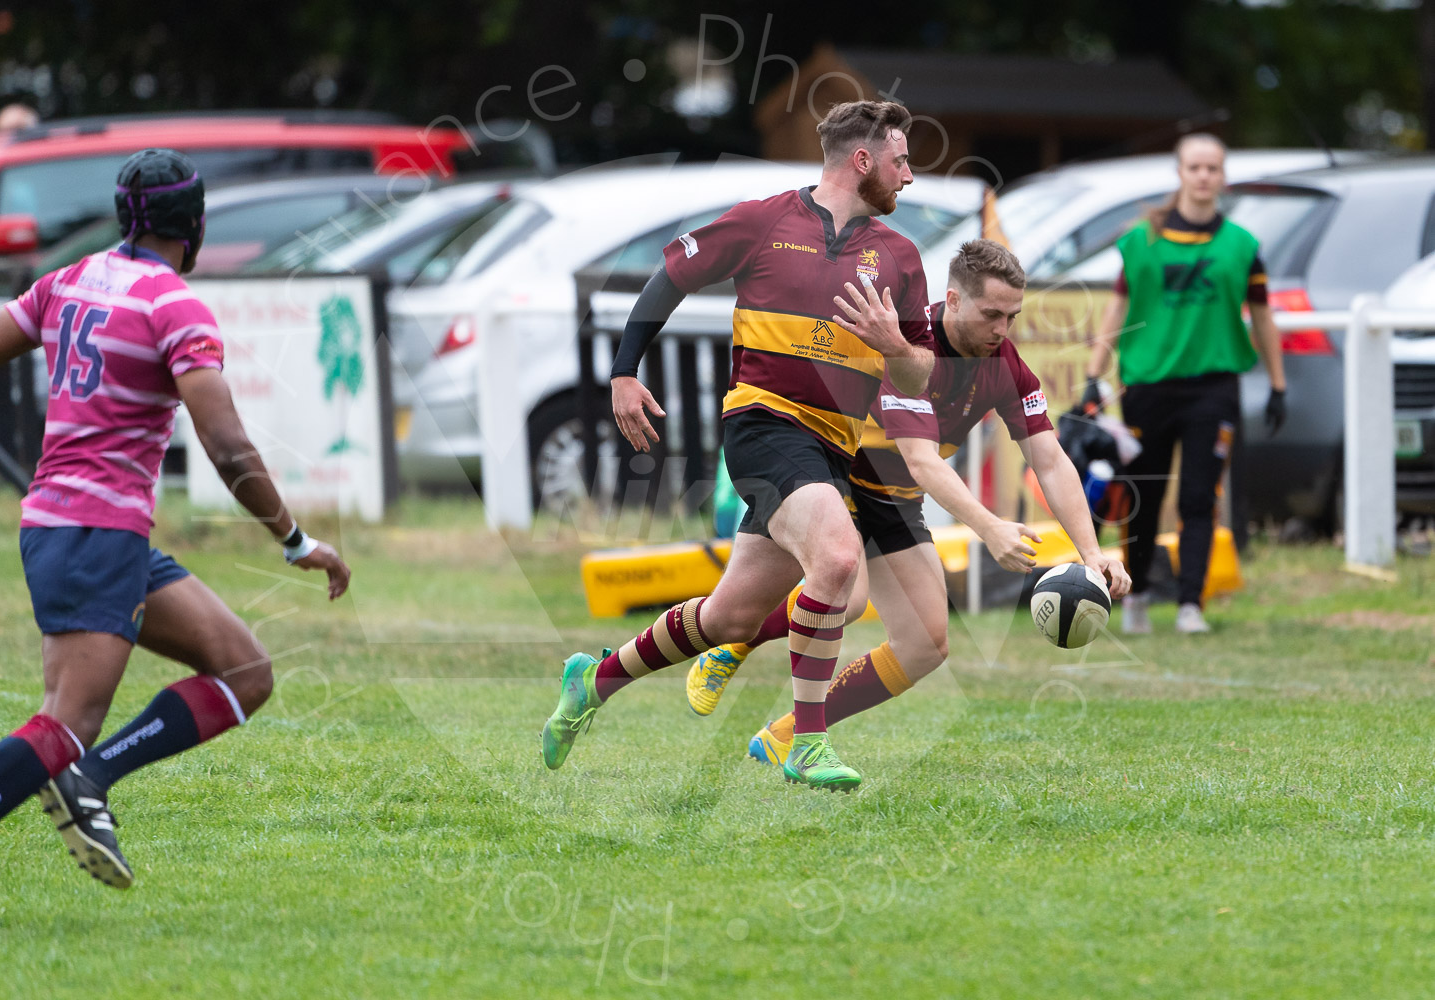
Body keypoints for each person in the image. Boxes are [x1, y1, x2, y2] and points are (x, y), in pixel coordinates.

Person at [0, 148, 351, 935]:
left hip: (83, 529)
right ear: (192, 226)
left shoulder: (69, 281)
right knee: (63, 723)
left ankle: (92, 778)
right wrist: (294, 541)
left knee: (244, 670)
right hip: (94, 531)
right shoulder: (176, 306)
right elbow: (228, 449)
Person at [540, 101, 936, 791]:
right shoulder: (764, 221)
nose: (911, 175)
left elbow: (921, 371)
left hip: (829, 451)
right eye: (901, 160)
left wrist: (893, 345)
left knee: (729, 617)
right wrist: (625, 371)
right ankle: (806, 743)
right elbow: (669, 278)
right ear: (862, 161)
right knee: (839, 561)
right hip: (764, 425)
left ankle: (593, 680)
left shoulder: (900, 256)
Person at [684, 240, 1131, 763]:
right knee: (845, 601)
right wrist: (989, 527)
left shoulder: (1006, 365)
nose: (1002, 330)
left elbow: (1050, 461)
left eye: (1012, 316)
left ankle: (783, 736)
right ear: (954, 301)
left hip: (895, 503)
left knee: (926, 645)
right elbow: (922, 462)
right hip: (837, 478)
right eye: (992, 315)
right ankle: (732, 641)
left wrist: (1091, 553)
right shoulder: (906, 344)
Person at [1082, 133, 1287, 635]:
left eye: (1212, 168)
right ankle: (1138, 596)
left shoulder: (1242, 246)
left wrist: (1278, 384)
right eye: (1195, 167)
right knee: (1143, 495)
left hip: (1214, 387)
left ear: (1223, 176)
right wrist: (1093, 373)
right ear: (1180, 172)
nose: (1203, 176)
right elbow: (1118, 309)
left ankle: (1191, 604)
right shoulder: (1141, 241)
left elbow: (1262, 316)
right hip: (1148, 385)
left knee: (1200, 496)